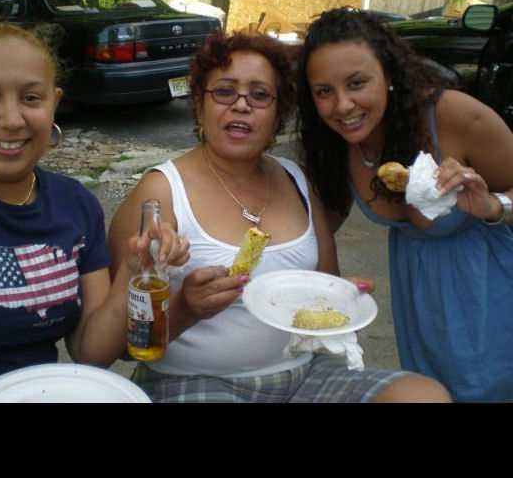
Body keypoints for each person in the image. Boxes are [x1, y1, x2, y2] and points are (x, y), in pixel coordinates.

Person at [107, 31, 451, 403]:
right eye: (225, 91)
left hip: (306, 374)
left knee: (423, 396)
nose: (241, 105)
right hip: (194, 379)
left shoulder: (296, 180)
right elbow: (121, 345)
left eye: (259, 95)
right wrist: (185, 310)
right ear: (198, 106)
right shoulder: (160, 192)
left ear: (278, 115)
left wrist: (342, 299)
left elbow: (325, 284)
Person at [0, 16, 188, 402]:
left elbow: (90, 353)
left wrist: (132, 269)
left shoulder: (76, 205)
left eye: (31, 98)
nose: (12, 120)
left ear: (54, 104)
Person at [295, 6, 513, 403]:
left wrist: (493, 207)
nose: (342, 105)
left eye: (357, 83)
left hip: (493, 294)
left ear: (389, 74)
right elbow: (311, 232)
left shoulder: (453, 115)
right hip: (424, 314)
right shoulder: (336, 144)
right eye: (324, 91)